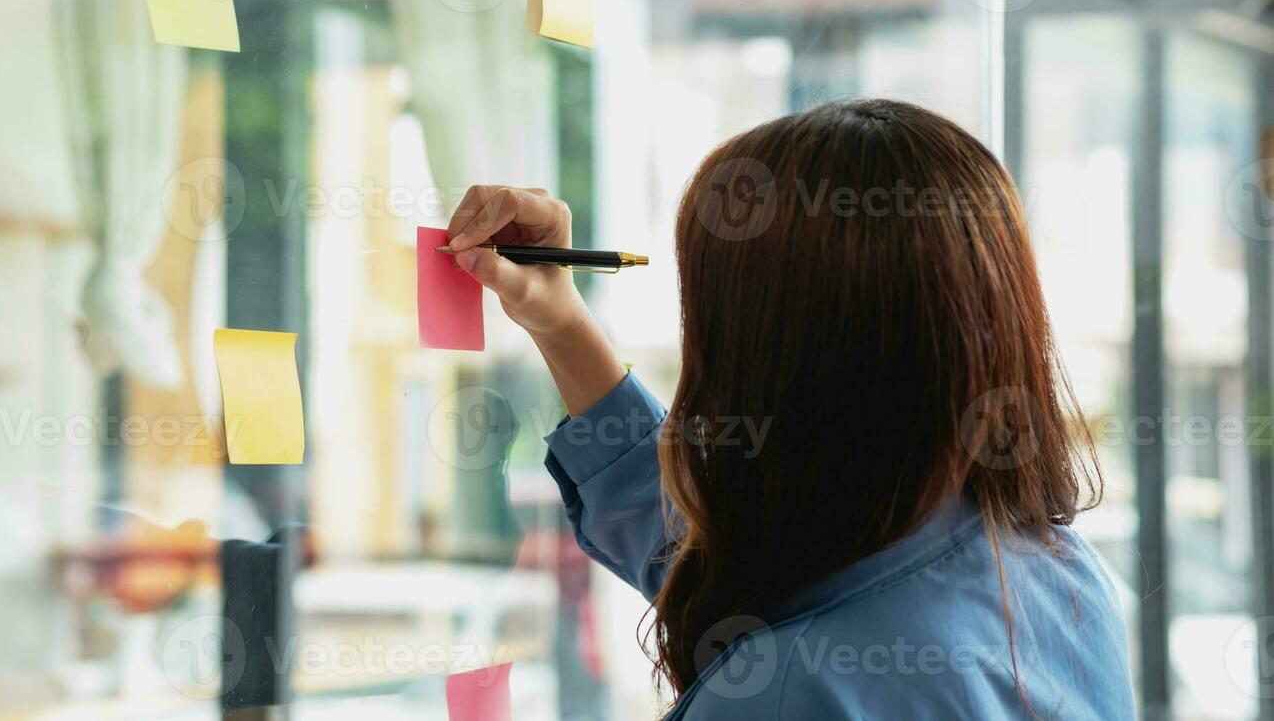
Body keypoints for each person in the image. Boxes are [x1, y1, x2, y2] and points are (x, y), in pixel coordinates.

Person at [444, 99, 1135, 719]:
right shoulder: (1058, 577)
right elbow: (729, 566)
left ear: (769, 370)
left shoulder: (789, 692)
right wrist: (559, 320)